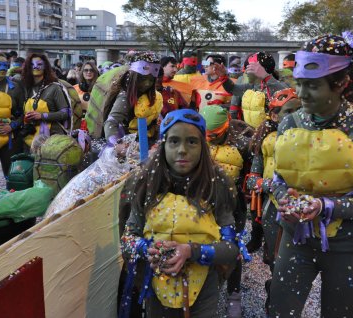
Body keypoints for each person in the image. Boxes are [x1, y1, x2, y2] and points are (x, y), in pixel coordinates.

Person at [269, 33, 353, 317]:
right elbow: (278, 179)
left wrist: (325, 206)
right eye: (298, 84)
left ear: (341, 83)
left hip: (347, 247)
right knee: (279, 310)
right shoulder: (289, 122)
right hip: (296, 239)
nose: (301, 95)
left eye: (312, 86)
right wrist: (283, 200)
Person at [120, 109, 240, 317]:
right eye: (174, 141)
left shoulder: (217, 185)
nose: (182, 150)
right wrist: (146, 248)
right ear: (163, 145)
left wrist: (192, 251)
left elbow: (231, 248)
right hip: (156, 287)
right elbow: (128, 238)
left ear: (203, 146)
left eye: (192, 142)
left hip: (204, 290)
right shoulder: (146, 183)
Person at [245, 88, 301, 315]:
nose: (297, 116)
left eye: (301, 109)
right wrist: (272, 187)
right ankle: (275, 298)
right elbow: (252, 180)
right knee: (277, 262)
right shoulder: (266, 142)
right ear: (275, 116)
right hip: (272, 210)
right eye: (289, 111)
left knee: (296, 264)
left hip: (301, 210)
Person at [200, 105, 254, 317]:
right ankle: (206, 289)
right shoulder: (198, 140)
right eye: (207, 135)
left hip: (233, 205)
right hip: (203, 203)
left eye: (215, 134)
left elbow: (257, 165)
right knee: (203, 244)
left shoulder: (242, 143)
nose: (211, 138)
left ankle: (234, 294)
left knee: (233, 248)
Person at [104, 51, 163, 148]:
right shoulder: (125, 97)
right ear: (134, 78)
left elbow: (158, 119)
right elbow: (111, 122)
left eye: (151, 80)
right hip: (129, 147)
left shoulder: (154, 95)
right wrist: (117, 145)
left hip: (151, 143)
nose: (147, 84)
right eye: (143, 79)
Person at [218, 52, 288, 128]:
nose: (245, 72)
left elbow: (283, 96)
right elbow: (233, 89)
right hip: (253, 134)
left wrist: (266, 77)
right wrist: (223, 77)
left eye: (249, 68)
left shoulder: (280, 86)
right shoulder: (251, 87)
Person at [21, 53, 71, 151]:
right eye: (32, 64)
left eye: (39, 64)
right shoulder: (25, 88)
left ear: (45, 67)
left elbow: (65, 113)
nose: (35, 66)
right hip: (29, 138)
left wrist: (42, 116)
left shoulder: (54, 88)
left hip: (51, 140)